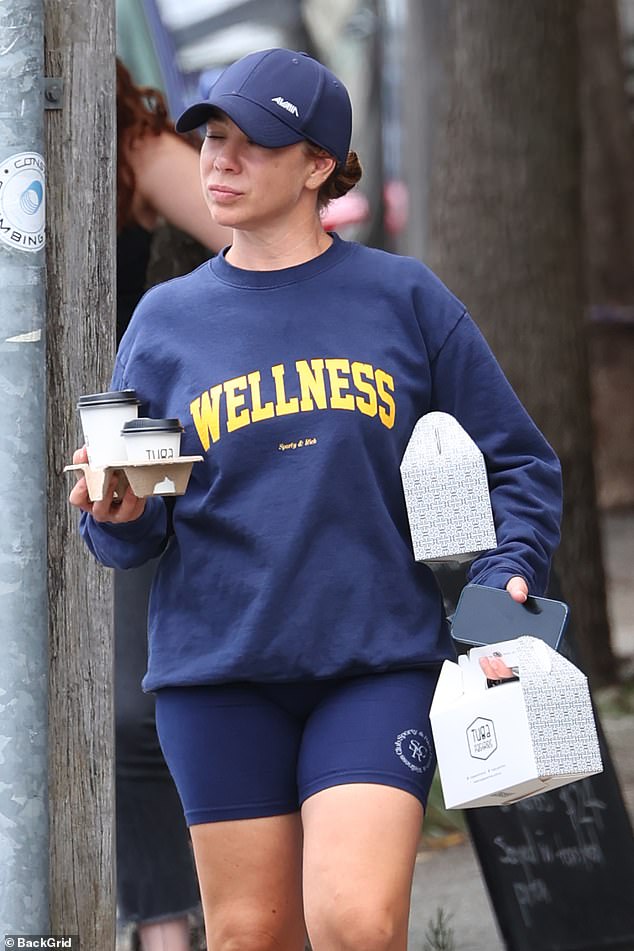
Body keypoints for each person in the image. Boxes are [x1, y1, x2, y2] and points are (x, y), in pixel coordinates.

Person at [71, 48, 562, 951]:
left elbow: (520, 463)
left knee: (355, 923)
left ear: (317, 165)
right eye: (211, 138)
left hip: (373, 660)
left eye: (249, 142)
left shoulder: (404, 297)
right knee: (251, 938)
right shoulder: (165, 322)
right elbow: (133, 531)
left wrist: (510, 574)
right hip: (218, 672)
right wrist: (120, 514)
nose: (218, 160)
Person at [114, 58, 230, 951]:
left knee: (135, 706)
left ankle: (185, 926)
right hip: (38, 453)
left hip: (139, 434)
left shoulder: (134, 147)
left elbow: (255, 243)